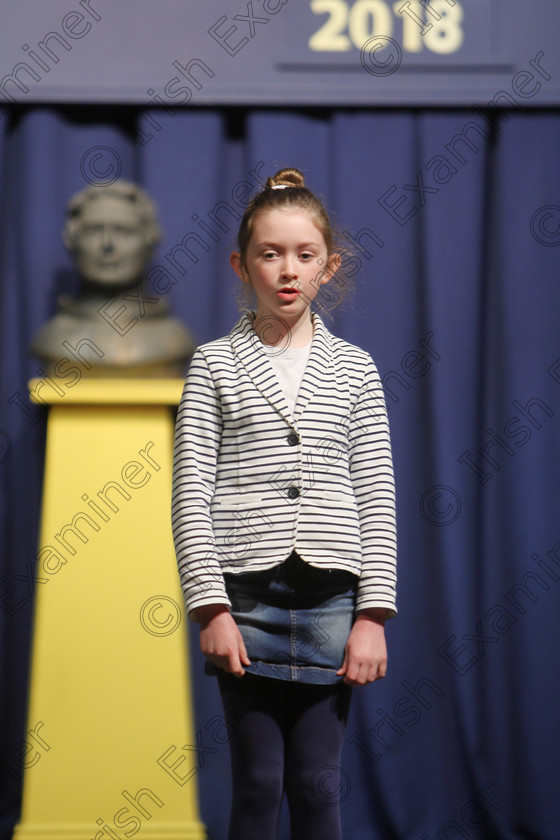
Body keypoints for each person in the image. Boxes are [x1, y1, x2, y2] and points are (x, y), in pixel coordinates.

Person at [171, 167, 397, 840]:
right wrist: (209, 606)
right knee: (259, 785)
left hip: (332, 599)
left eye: (304, 255)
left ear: (330, 266)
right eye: (270, 254)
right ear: (242, 264)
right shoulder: (213, 364)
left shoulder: (356, 370)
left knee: (316, 784)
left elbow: (377, 494)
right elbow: (189, 492)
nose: (287, 271)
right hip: (243, 600)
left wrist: (373, 615)